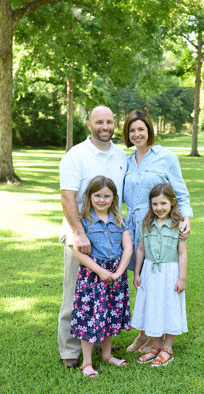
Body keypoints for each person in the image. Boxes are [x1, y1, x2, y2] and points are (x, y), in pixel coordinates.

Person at [58, 106, 127, 368]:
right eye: (100, 122)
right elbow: (67, 197)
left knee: (106, 293)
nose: (105, 126)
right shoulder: (76, 155)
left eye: (110, 121)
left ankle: (101, 341)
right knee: (75, 293)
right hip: (83, 235)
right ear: (89, 124)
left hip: (110, 235)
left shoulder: (120, 155)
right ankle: (70, 350)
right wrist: (78, 233)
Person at [123, 109, 193, 353]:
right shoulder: (126, 161)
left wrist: (186, 218)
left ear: (149, 129)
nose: (136, 134)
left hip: (161, 228)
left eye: (141, 129)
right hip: (134, 228)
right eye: (132, 130)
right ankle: (145, 334)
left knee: (160, 279)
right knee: (143, 282)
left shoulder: (166, 157)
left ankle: (154, 338)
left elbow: (181, 192)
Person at [71, 176, 133, 377]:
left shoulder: (119, 220)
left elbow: (128, 248)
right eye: (97, 195)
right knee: (89, 316)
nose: (102, 200)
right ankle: (87, 362)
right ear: (89, 197)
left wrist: (119, 272)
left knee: (110, 314)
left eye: (107, 196)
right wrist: (100, 271)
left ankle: (107, 355)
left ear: (114, 198)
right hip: (93, 277)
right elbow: (78, 252)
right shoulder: (84, 223)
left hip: (115, 275)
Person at [131, 183, 188, 366]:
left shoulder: (178, 225)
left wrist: (182, 278)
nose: (159, 208)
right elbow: (140, 250)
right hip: (149, 272)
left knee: (169, 307)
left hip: (170, 273)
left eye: (163, 203)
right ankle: (155, 346)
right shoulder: (146, 224)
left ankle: (167, 348)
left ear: (172, 202)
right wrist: (137, 273)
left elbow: (182, 253)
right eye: (155, 204)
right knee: (152, 308)